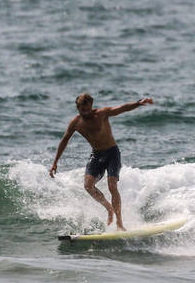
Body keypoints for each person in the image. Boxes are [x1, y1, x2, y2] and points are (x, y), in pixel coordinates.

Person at [49, 93, 154, 230]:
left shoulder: (102, 114)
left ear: (91, 106)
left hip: (112, 153)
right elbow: (64, 140)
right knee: (88, 186)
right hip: (97, 154)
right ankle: (109, 209)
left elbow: (122, 108)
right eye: (82, 110)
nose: (85, 112)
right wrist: (55, 162)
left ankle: (119, 223)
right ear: (78, 108)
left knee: (112, 186)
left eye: (87, 109)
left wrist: (138, 103)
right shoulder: (76, 123)